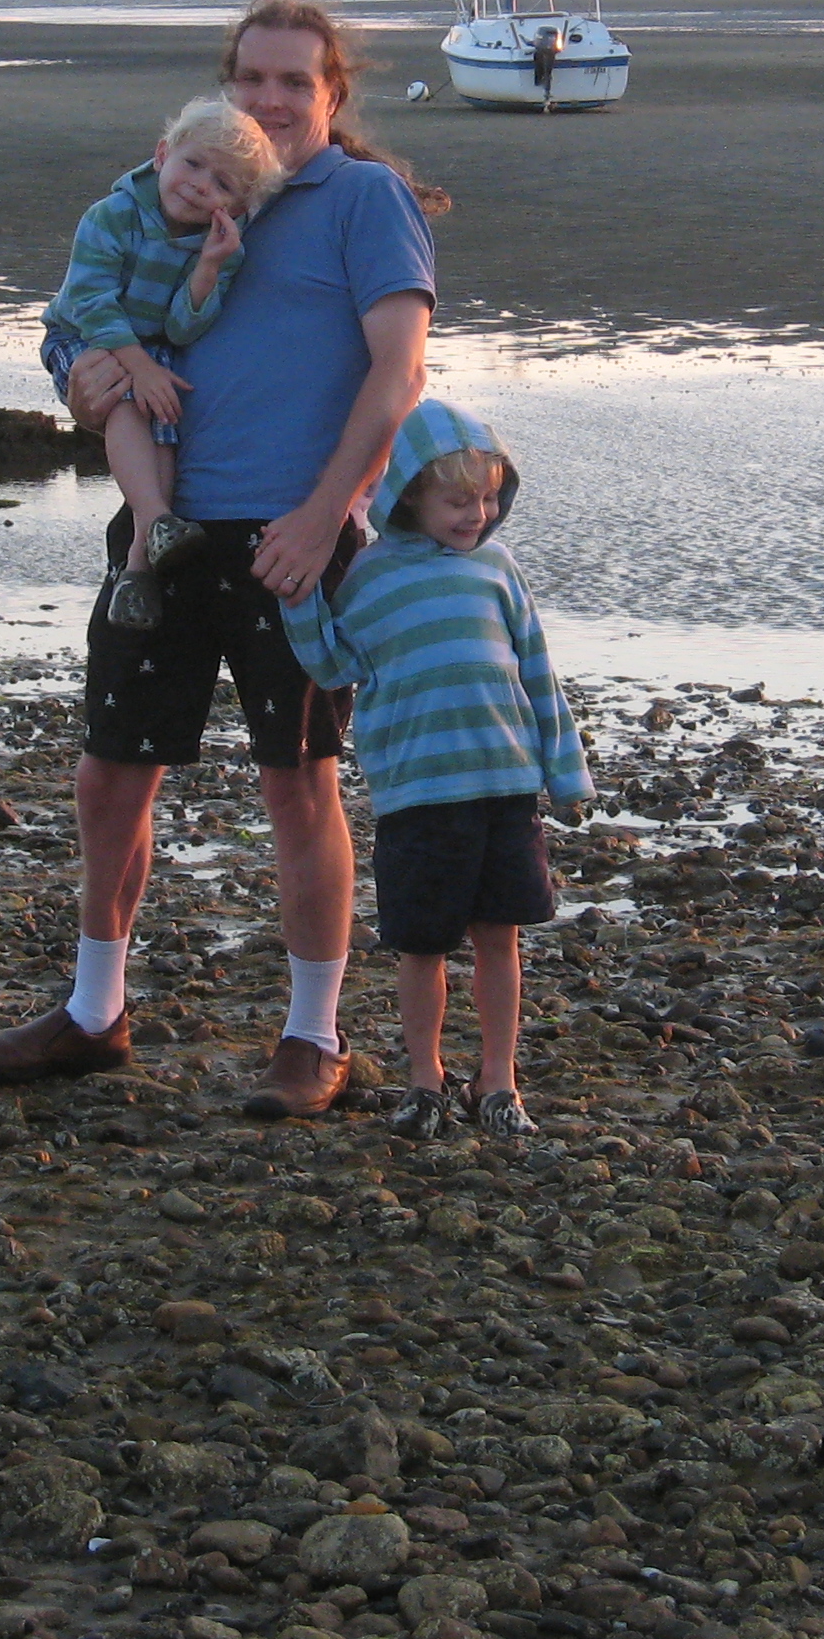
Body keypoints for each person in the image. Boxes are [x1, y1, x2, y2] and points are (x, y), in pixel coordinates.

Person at [0, 0, 448, 1120]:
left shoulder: (362, 199)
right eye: (251, 80)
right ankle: (94, 1012)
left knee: (298, 783)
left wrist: (326, 516)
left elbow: (400, 373)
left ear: (332, 94)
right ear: (222, 91)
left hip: (293, 539)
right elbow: (77, 320)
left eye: (294, 82)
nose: (269, 101)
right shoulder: (183, 182)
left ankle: (314, 1035)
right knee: (109, 774)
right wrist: (79, 379)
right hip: (163, 532)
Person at [281, 400, 588, 1138]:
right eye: (458, 501)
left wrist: (566, 773)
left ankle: (499, 1083)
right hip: (416, 796)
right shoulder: (370, 578)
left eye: (488, 499)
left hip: (505, 788)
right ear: (411, 494)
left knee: (499, 939)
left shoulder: (499, 569)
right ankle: (425, 1080)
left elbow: (538, 673)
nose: (477, 515)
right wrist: (297, 598)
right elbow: (333, 665)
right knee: (421, 947)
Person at [37, 96, 287, 630]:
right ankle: (155, 518)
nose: (199, 185)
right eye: (192, 164)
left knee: (166, 420)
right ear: (162, 155)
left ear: (237, 207)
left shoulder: (222, 248)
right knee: (128, 399)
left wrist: (209, 267)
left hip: (151, 344)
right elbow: (89, 301)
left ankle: (138, 567)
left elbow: (181, 330)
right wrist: (140, 368)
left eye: (222, 184)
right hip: (80, 335)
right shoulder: (113, 215)